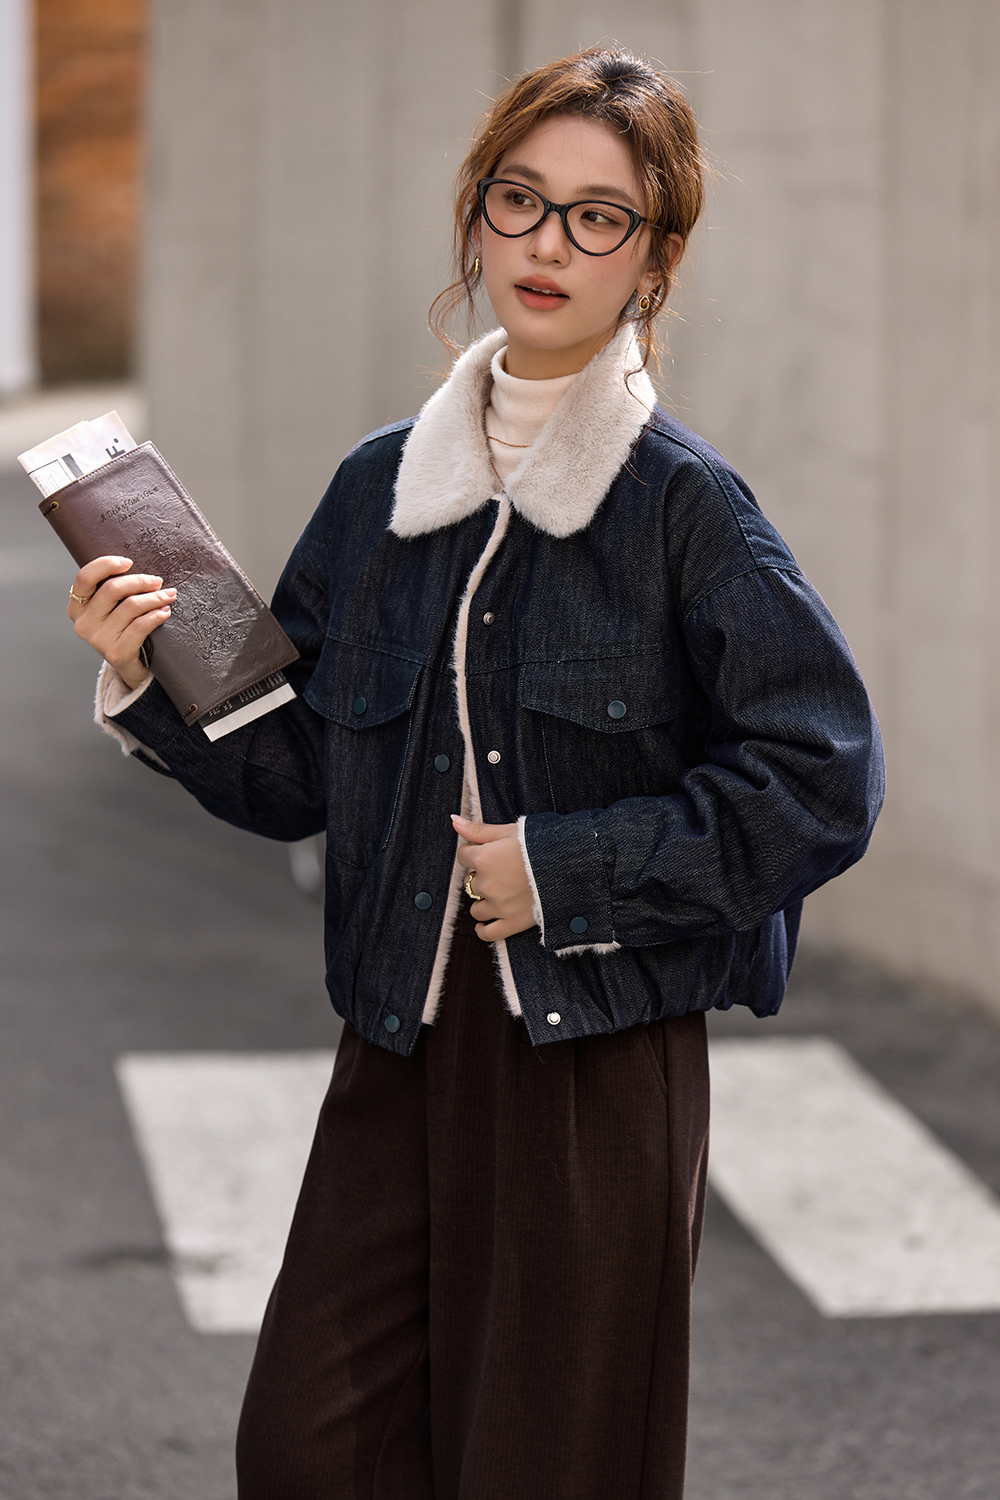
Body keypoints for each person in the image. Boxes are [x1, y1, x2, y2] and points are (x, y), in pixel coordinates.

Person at [65, 47, 883, 1500]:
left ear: (656, 256)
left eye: (598, 215)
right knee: (311, 1447)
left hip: (593, 1070)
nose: (549, 244)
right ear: (476, 216)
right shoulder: (385, 488)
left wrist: (565, 869)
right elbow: (301, 774)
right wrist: (153, 671)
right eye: (522, 201)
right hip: (397, 1040)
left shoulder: (684, 510)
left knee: (544, 1466)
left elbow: (823, 775)